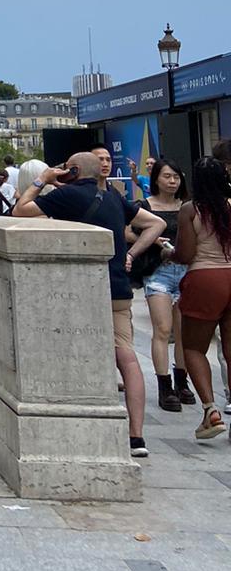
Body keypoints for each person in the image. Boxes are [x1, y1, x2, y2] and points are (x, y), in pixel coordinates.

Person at [15, 151, 164, 457]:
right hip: (119, 289)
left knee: (75, 350)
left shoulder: (67, 196)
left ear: (71, 170)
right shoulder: (111, 198)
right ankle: (136, 436)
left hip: (80, 289)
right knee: (128, 358)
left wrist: (43, 179)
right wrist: (131, 254)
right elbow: (156, 224)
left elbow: (21, 210)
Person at [131, 158, 193, 410]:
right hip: (158, 272)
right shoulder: (144, 207)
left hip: (187, 272)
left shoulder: (189, 207)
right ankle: (164, 385)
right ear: (155, 178)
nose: (172, 181)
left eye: (176, 177)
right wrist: (154, 240)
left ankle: (182, 381)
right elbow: (128, 230)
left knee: (183, 333)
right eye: (167, 176)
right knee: (162, 328)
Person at [175, 158, 231, 440]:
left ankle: (211, 412)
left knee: (194, 348)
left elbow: (185, 255)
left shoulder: (191, 210)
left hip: (205, 279)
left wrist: (165, 252)